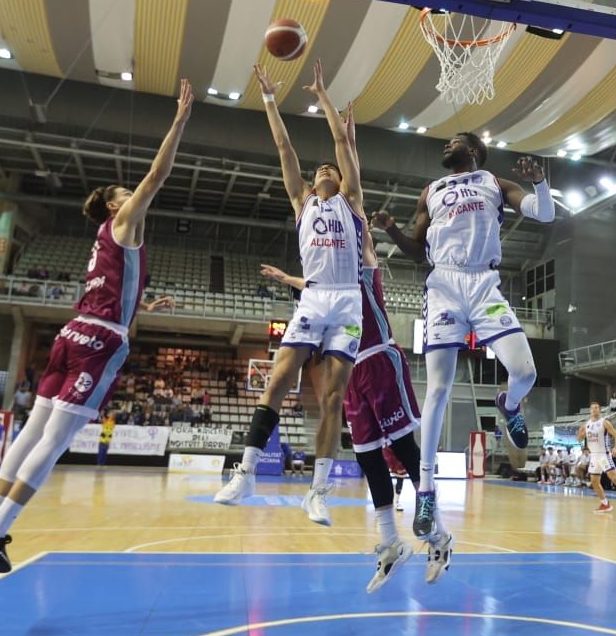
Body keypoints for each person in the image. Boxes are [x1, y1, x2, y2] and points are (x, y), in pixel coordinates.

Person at [0, 79, 193, 580]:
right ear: (115, 206)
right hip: (101, 340)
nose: (134, 197)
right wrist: (179, 120)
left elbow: (108, 287)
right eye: (125, 195)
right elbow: (158, 175)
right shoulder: (126, 222)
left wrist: (143, 303)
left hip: (73, 332)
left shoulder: (103, 237)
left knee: (32, 431)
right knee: (56, 439)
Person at [255, 105, 449, 589]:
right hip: (351, 366)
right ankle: (389, 543)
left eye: (334, 174)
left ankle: (439, 535)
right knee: (365, 457)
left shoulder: (358, 236)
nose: (326, 175)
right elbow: (321, 279)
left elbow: (351, 174)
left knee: (404, 449)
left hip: (379, 355)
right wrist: (290, 278)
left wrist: (347, 137)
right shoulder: (327, 253)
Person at [371, 134, 554, 539]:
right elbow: (417, 250)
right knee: (437, 390)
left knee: (524, 372)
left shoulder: (494, 182)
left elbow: (544, 214)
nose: (445, 146)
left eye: (454, 142)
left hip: (484, 283)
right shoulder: (431, 191)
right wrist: (391, 230)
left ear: (472, 150)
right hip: (444, 287)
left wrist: (540, 181)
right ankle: (426, 490)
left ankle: (509, 403)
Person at [215, 62, 366, 527]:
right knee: (278, 380)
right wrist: (268, 99)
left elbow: (342, 144)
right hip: (315, 297)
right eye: (318, 167)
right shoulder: (302, 202)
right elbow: (283, 145)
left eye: (330, 168)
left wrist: (322, 95)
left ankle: (317, 492)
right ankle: (246, 473)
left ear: (340, 180)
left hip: (348, 300)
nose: (324, 168)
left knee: (334, 397)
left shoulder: (352, 200)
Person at [577, 402, 616, 513]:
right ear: (590, 410)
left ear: (600, 410)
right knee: (594, 481)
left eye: (597, 407)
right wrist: (580, 433)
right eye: (593, 408)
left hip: (603, 455)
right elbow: (579, 439)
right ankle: (605, 504)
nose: (594, 409)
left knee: (614, 478)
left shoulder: (604, 422)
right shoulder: (586, 425)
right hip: (593, 456)